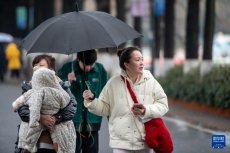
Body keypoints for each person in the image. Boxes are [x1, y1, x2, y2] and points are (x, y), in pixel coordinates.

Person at [83, 47, 169, 153]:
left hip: (144, 141)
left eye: (142, 59)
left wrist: (145, 110)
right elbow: (104, 108)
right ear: (126, 64)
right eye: (137, 60)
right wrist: (92, 100)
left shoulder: (151, 82)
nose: (142, 63)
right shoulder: (113, 83)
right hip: (121, 142)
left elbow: (163, 105)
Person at [14, 54, 77, 153]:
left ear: (51, 69)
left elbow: (72, 108)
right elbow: (22, 110)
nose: (36, 67)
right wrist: (41, 118)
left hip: (57, 140)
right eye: (35, 65)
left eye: (41, 65)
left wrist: (56, 118)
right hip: (35, 141)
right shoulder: (29, 87)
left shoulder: (63, 87)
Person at [58, 49, 108, 153]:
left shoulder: (101, 70)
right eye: (85, 65)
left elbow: (108, 95)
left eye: (91, 64)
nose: (89, 68)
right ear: (78, 59)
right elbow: (55, 91)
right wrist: (66, 81)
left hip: (92, 122)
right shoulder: (67, 68)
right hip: (71, 123)